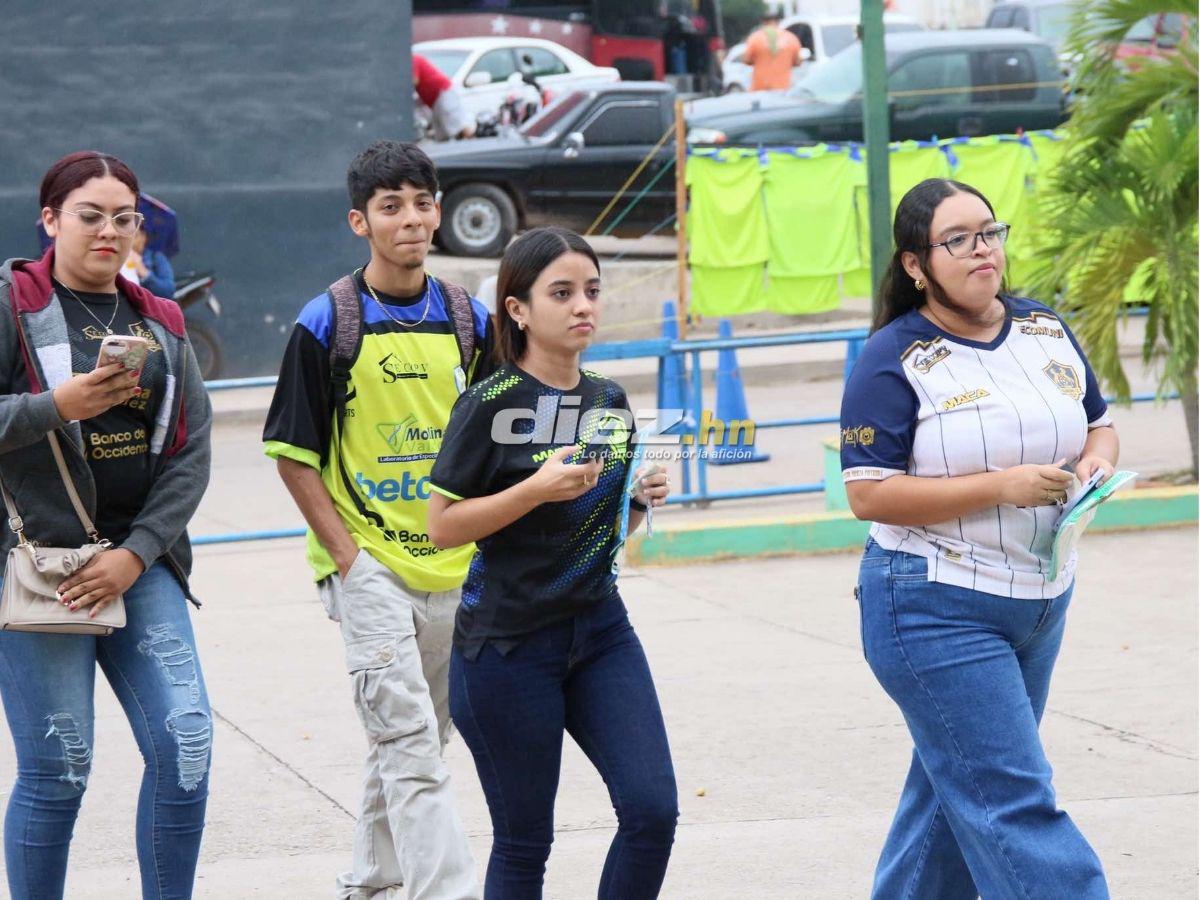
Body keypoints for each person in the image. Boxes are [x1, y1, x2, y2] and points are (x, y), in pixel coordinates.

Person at [840, 178, 1117, 899]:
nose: (981, 250)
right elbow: (868, 493)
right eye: (957, 240)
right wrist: (1001, 486)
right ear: (915, 264)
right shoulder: (891, 357)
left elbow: (1100, 421)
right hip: (932, 604)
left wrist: (1097, 463)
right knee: (1012, 803)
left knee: (950, 797)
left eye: (989, 232)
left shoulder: (1043, 328)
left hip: (1039, 598)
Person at [263, 140, 494, 900]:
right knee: (411, 747)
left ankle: (369, 879)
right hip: (369, 568)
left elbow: (505, 436)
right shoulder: (327, 321)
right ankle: (448, 893)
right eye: (391, 206)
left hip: (457, 565)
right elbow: (294, 455)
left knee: (421, 737)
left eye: (423, 202)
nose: (412, 219)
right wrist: (350, 562)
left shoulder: (471, 319)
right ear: (359, 220)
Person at [427, 226, 677, 899]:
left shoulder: (609, 401)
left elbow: (601, 533)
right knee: (525, 843)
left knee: (653, 813)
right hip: (507, 649)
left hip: (600, 631)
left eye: (591, 291)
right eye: (561, 292)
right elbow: (443, 527)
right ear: (517, 308)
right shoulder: (487, 405)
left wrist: (640, 500)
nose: (582, 306)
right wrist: (532, 488)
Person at [0, 150, 213, 898]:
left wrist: (137, 554)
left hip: (139, 563)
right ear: (50, 219)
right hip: (41, 570)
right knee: (59, 769)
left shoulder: (161, 319)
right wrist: (56, 407)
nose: (110, 231)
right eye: (90, 216)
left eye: (125, 218)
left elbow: (189, 453)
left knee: (185, 746)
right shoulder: (11, 307)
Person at [414, 53, 476, 141]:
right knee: (442, 132)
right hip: (435, 100)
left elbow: (414, 81)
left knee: (458, 126)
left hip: (443, 93)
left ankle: (474, 142)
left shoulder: (414, 59)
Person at [741, 8, 802, 92]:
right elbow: (798, 62)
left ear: (763, 22)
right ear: (778, 22)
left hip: (760, 88)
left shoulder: (755, 38)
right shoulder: (791, 38)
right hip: (783, 89)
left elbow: (746, 60)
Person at [125, 226, 176, 299]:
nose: (131, 242)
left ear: (143, 237)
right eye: (126, 237)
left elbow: (168, 291)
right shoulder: (116, 258)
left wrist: (143, 272)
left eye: (135, 236)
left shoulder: (156, 258)